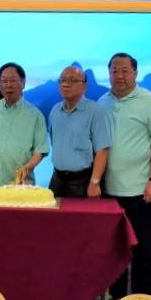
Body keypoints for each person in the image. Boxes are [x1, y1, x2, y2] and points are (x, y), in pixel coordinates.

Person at [99, 52, 151, 298]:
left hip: (141, 191)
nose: (119, 76)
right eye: (114, 71)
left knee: (145, 250)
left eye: (125, 71)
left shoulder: (150, 101)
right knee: (114, 251)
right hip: (110, 192)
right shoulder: (102, 102)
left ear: (135, 73)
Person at [0, 63, 49, 193]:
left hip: (19, 187)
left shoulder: (35, 115)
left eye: (13, 80)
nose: (8, 85)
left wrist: (27, 168)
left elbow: (40, 151)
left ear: (23, 83)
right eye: (4, 81)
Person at [47, 65, 112, 199]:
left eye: (72, 80)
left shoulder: (95, 111)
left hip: (82, 181)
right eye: (63, 80)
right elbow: (54, 142)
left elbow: (103, 150)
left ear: (84, 86)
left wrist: (94, 182)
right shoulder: (55, 111)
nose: (66, 84)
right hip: (57, 179)